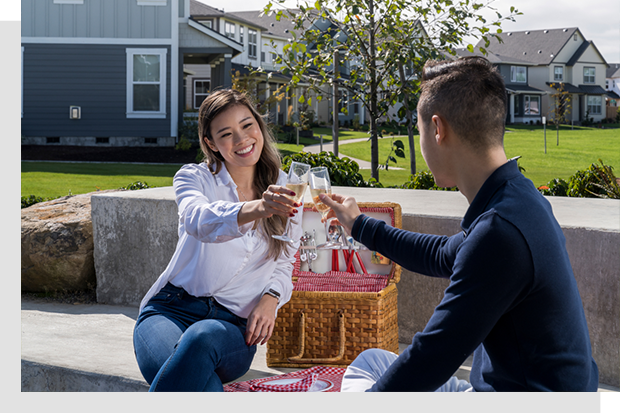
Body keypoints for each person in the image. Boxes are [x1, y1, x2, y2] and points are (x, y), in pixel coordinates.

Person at [321, 56, 599, 392]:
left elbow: (431, 357)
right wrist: (359, 225)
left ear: (437, 129)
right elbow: (442, 254)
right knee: (371, 362)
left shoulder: (500, 234)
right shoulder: (516, 196)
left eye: (420, 129)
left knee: (366, 387)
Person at [133, 89, 304, 392]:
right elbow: (198, 220)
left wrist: (272, 297)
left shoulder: (285, 186)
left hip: (231, 328)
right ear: (211, 143)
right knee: (201, 384)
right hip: (170, 310)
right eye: (226, 134)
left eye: (247, 125)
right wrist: (256, 209)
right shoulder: (193, 178)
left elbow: (286, 259)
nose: (241, 139)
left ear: (259, 125)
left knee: (201, 338)